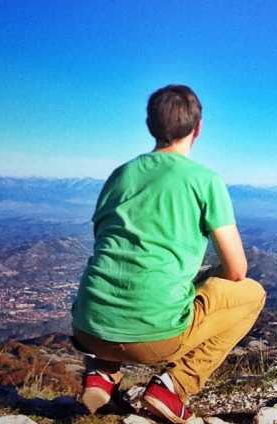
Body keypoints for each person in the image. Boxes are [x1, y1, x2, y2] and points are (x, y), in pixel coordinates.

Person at [71, 84, 266, 424]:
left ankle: (102, 372)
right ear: (198, 128)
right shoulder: (204, 180)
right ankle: (172, 388)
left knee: (123, 278)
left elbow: (107, 246)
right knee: (251, 293)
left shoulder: (121, 175)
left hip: (88, 328)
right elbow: (237, 270)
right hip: (155, 340)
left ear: (150, 125)